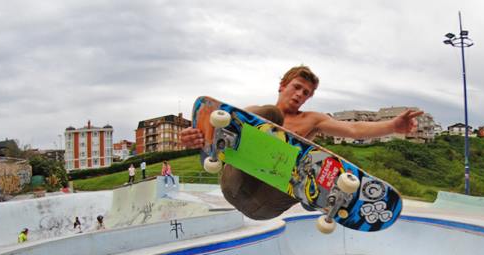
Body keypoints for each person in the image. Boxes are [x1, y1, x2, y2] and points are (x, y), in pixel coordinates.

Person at [179, 65, 423, 220]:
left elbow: (353, 128)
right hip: (236, 184)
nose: (299, 95)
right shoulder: (254, 113)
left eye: (306, 93)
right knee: (270, 116)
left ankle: (319, 198)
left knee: (316, 165)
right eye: (297, 88)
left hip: (267, 204)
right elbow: (212, 132)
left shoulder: (312, 120)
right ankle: (307, 191)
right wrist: (194, 138)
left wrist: (393, 126)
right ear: (283, 86)